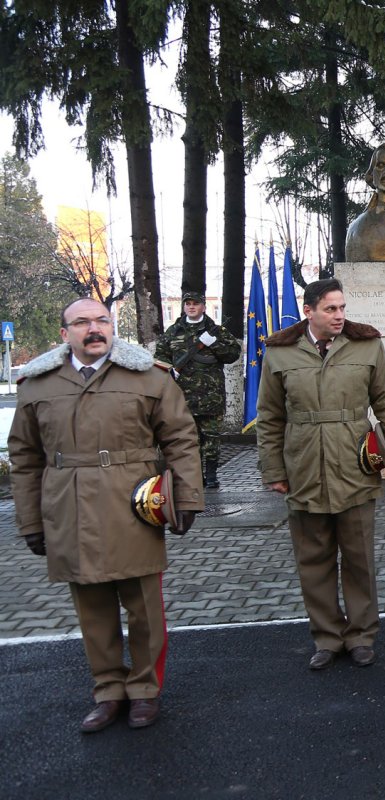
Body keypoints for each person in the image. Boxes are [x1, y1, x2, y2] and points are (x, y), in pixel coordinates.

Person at [8, 298, 203, 733]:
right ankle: (108, 690)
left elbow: (181, 439)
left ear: (112, 327)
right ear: (64, 334)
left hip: (133, 504)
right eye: (81, 322)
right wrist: (30, 520)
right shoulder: (36, 385)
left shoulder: (148, 376)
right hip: (67, 507)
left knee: (143, 607)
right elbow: (23, 458)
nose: (93, 329)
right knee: (92, 609)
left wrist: (187, 498)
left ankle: (145, 690)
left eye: (101, 320)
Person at [256, 278, 385, 670]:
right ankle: (327, 636)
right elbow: (270, 417)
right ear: (309, 311)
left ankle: (360, 636)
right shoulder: (280, 353)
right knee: (313, 560)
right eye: (330, 309)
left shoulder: (367, 345)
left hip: (354, 465)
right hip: (303, 467)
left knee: (359, 559)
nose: (340, 316)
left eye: (342, 308)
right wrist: (273, 468)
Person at [154, 291, 242, 489]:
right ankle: (193, 476)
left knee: (211, 439)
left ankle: (211, 475)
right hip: (182, 397)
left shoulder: (216, 331)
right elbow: (160, 357)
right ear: (183, 306)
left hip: (211, 396)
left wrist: (215, 344)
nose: (191, 307)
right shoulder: (173, 331)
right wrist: (169, 371)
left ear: (203, 306)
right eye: (188, 304)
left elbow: (232, 355)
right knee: (188, 439)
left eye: (195, 303)